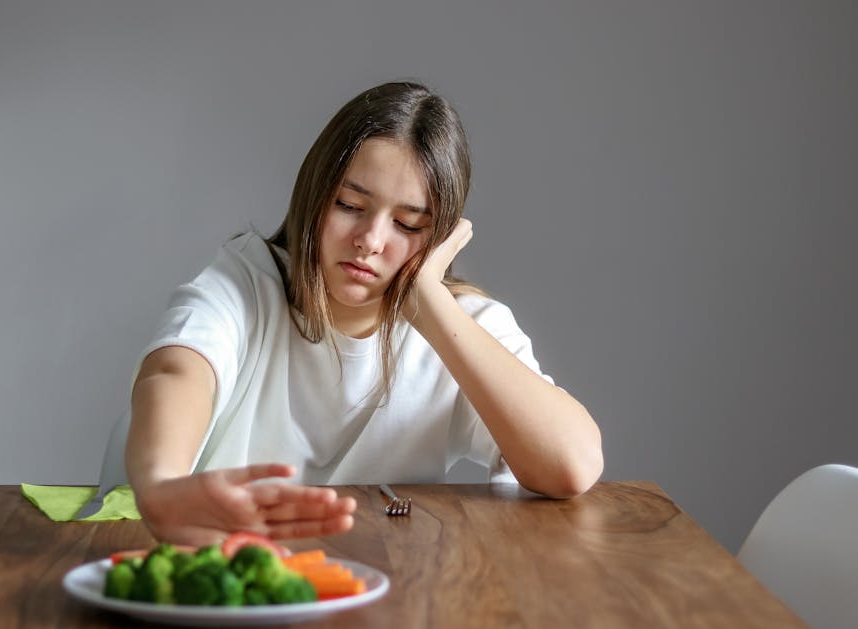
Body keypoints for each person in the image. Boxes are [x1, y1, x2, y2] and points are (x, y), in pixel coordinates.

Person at [125, 81, 604, 547]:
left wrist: (428, 302)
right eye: (350, 204)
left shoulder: (460, 323)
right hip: (216, 564)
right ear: (314, 194)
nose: (371, 240)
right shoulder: (245, 279)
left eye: (407, 224)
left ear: (439, 235)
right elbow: (176, 370)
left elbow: (573, 465)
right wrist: (161, 484)